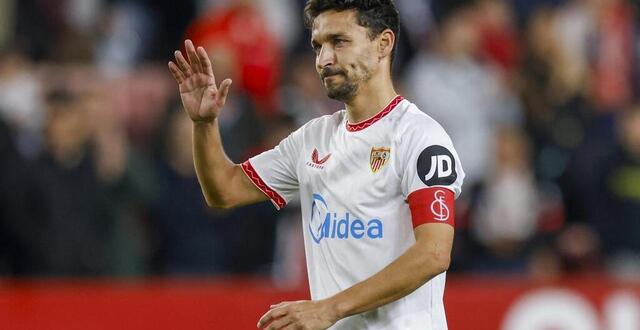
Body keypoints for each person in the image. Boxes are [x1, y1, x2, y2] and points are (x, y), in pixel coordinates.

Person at [168, 1, 465, 329]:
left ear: (384, 44)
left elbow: (434, 253)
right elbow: (223, 191)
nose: (324, 59)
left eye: (339, 42)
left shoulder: (420, 138)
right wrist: (204, 124)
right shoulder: (312, 139)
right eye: (318, 46)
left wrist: (331, 309)